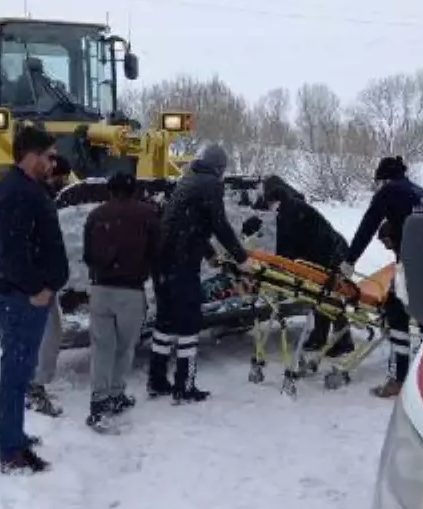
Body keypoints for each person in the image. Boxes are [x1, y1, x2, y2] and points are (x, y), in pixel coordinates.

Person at [0, 125, 70, 473]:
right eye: (49, 156)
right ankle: (10, 450)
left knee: (19, 371)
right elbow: (9, 254)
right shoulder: (17, 193)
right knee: (16, 374)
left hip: (18, 297)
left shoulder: (23, 188)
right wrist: (36, 289)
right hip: (21, 301)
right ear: (30, 156)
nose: (54, 162)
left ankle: (13, 434)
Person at [148, 142, 254, 403]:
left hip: (161, 263)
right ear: (219, 168)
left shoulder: (187, 181)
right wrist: (242, 259)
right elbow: (219, 224)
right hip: (182, 264)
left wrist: (209, 254)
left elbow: (190, 222)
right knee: (189, 324)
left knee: (165, 322)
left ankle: (157, 379)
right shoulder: (211, 184)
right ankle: (184, 387)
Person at [340, 155, 423, 399]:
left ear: (383, 179)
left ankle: (398, 379)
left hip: (411, 266)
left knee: (396, 314)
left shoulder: (390, 191)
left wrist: (349, 261)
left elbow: (368, 226)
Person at [82, 171, 161, 432]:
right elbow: (156, 251)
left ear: (110, 190)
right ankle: (116, 394)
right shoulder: (147, 215)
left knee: (102, 347)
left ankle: (98, 402)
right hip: (131, 291)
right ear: (133, 189)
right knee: (125, 347)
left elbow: (87, 255)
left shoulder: (95, 216)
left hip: (101, 290)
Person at [259, 174, 353, 356]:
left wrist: (275, 266)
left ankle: (343, 340)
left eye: (269, 201)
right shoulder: (290, 204)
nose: (268, 207)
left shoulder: (290, 210)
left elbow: (285, 247)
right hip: (324, 253)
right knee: (318, 295)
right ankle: (320, 337)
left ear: (274, 198)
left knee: (329, 297)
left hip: (334, 254)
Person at [25, 152, 74, 419]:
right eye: (62, 179)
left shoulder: (41, 197)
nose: (64, 184)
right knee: (47, 333)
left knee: (46, 333)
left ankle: (33, 385)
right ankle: (34, 389)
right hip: (37, 283)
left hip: (40, 280)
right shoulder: (37, 201)